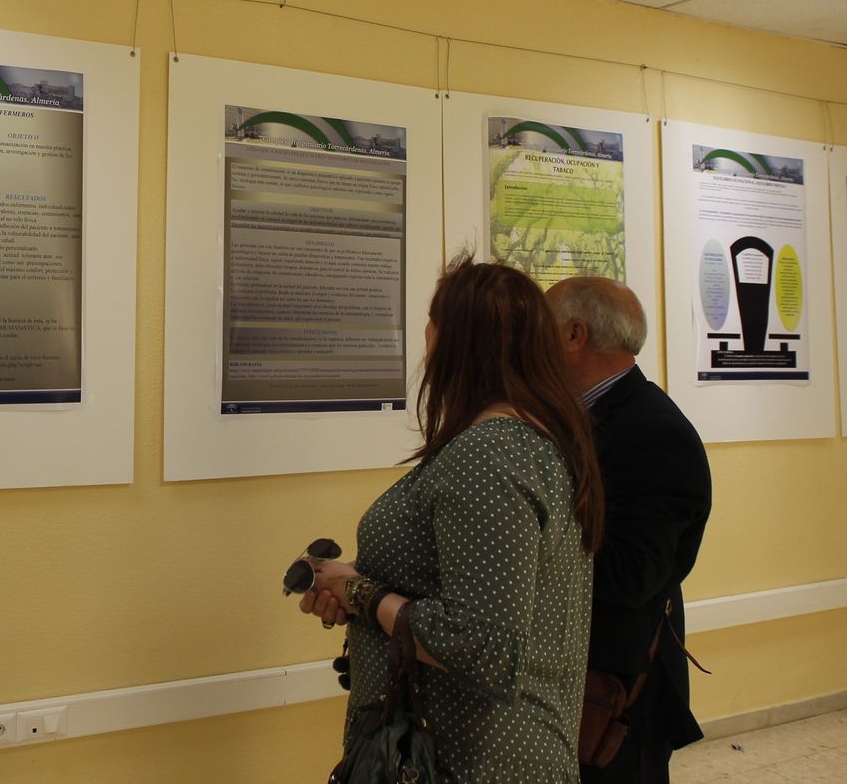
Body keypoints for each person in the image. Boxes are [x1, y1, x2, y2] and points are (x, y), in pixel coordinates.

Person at [301, 255, 603, 783]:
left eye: (433, 321)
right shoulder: (536, 444)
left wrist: (361, 595)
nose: (426, 337)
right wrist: (361, 588)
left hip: (469, 761)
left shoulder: (487, 455)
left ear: (456, 341)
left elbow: (482, 644)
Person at [547, 277, 712, 784]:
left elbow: (632, 574)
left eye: (539, 331)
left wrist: (520, 548)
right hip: (581, 683)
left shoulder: (652, 431)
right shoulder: (584, 416)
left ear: (575, 335)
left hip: (618, 698)